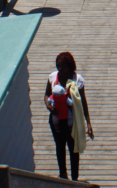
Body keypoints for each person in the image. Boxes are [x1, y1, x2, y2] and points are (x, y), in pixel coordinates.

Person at [45, 52, 94, 181]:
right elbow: (47, 94)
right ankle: (63, 175)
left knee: (73, 148)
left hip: (73, 121)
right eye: (58, 66)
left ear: (70, 66)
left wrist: (88, 123)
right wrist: (48, 106)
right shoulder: (52, 77)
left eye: (63, 66)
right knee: (60, 146)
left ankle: (74, 178)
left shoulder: (77, 80)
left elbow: (83, 101)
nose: (60, 69)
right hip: (56, 119)